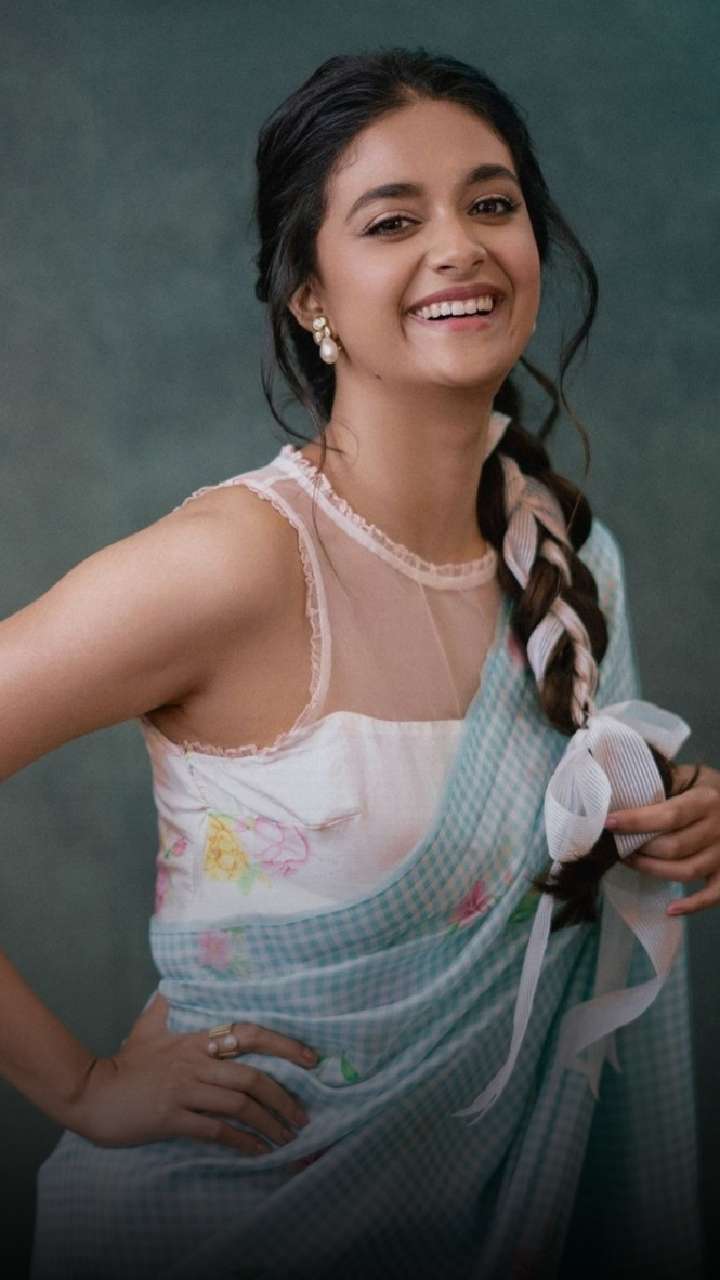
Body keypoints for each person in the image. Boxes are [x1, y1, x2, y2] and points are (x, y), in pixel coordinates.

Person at [1, 46, 716, 1280]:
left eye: (492, 203)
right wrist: (81, 1084)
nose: (460, 247)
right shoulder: (238, 561)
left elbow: (546, 867)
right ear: (309, 296)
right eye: (393, 220)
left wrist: (667, 821)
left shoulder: (570, 556)